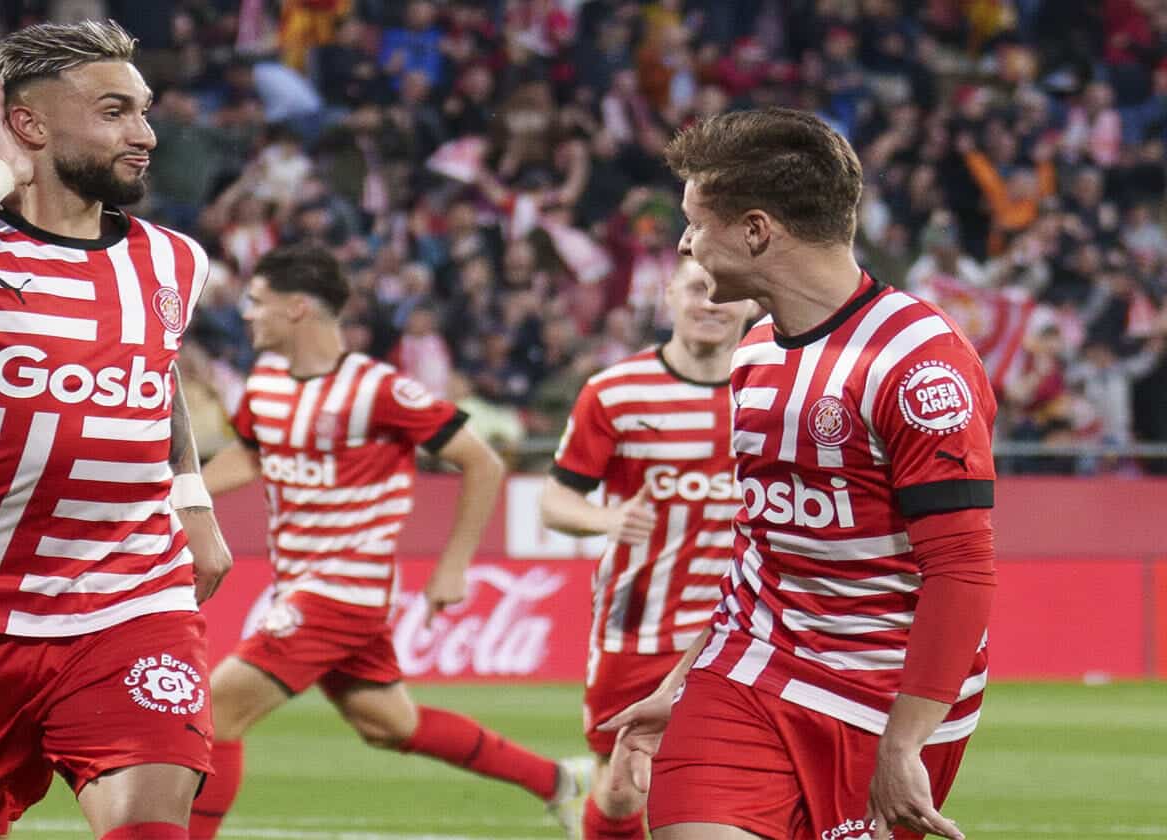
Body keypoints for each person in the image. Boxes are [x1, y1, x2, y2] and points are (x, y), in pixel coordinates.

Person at [0, 20, 233, 840]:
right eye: (114, 112)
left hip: (132, 597)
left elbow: (157, 366)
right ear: (29, 123)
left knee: (149, 826)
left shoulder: (174, 260)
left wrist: (192, 498)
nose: (145, 133)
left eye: (143, 110)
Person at [600, 108, 997, 840]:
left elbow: (961, 568)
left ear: (756, 231)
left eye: (695, 223)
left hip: (882, 699)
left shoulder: (917, 362)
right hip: (746, 673)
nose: (684, 244)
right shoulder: (754, 352)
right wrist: (681, 682)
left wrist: (905, 742)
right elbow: (761, 546)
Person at [191, 243, 592, 838]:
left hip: (343, 591)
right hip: (299, 585)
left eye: (257, 301)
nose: (246, 313)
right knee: (388, 723)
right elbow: (251, 455)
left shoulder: (377, 389)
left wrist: (453, 566)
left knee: (216, 713)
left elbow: (481, 462)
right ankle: (560, 782)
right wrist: (178, 497)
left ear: (297, 307)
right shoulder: (267, 383)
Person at [540, 258, 754, 840]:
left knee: (722, 796)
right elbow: (555, 501)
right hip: (639, 624)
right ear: (669, 296)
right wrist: (606, 518)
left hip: (745, 628)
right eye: (696, 288)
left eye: (723, 291)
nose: (710, 303)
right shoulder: (615, 392)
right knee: (620, 791)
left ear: (751, 300)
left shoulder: (776, 388)